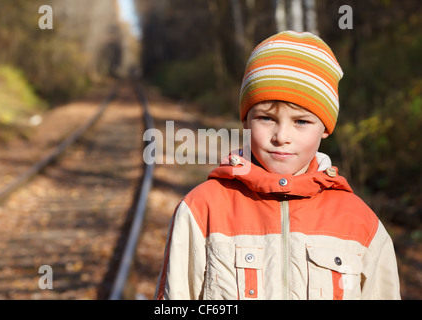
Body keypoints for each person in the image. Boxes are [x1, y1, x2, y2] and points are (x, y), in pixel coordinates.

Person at [155, 31, 400, 300]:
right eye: (267, 118)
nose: (282, 137)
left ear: (326, 128)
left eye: (301, 122)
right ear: (246, 121)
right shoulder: (202, 209)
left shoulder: (360, 223)